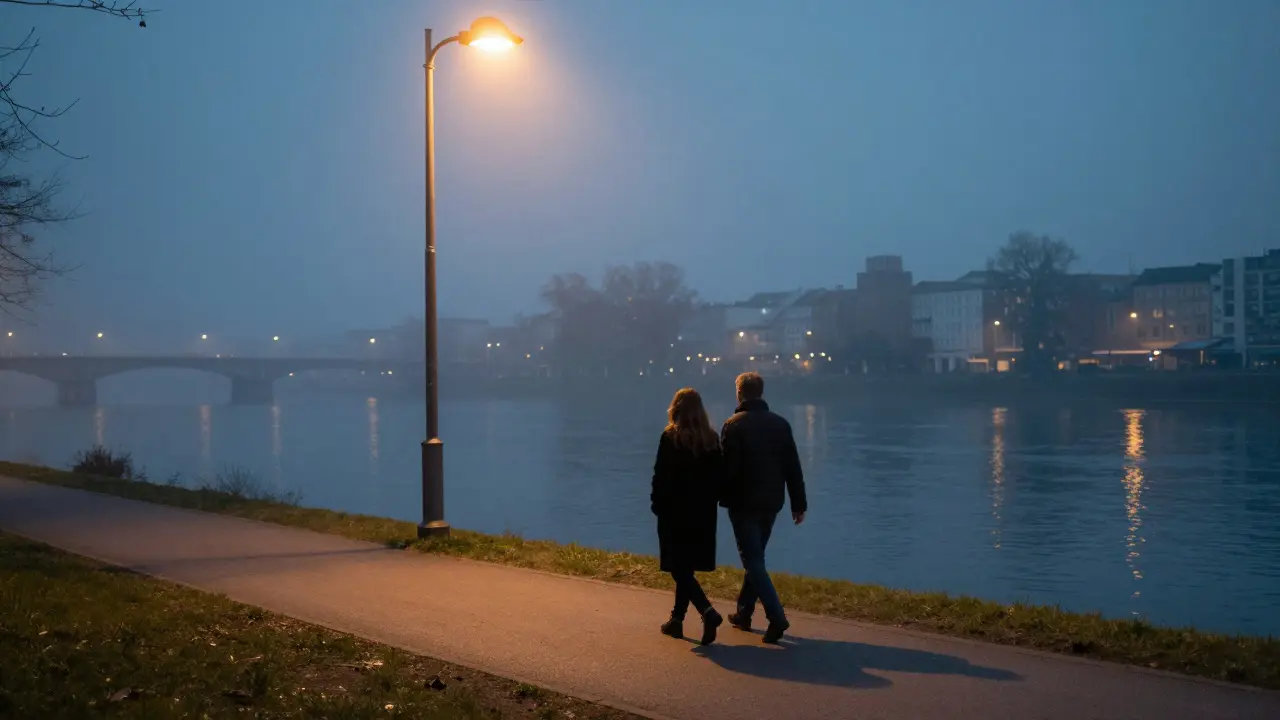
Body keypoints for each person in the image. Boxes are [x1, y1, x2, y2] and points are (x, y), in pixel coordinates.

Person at [720, 371, 807, 644]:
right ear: (761, 392)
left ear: (739, 393)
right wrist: (798, 503)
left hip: (743, 503)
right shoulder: (780, 425)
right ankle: (744, 613)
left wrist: (715, 495)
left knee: (753, 560)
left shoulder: (733, 425)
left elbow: (728, 471)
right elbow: (793, 466)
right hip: (772, 502)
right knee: (756, 557)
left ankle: (776, 616)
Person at [651, 387, 725, 645]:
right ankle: (677, 620)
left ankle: (707, 611)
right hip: (703, 514)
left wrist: (656, 504)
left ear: (677, 408)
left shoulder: (671, 437)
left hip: (675, 511)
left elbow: (661, 475)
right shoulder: (712, 439)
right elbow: (719, 478)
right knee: (687, 566)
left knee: (677, 566)